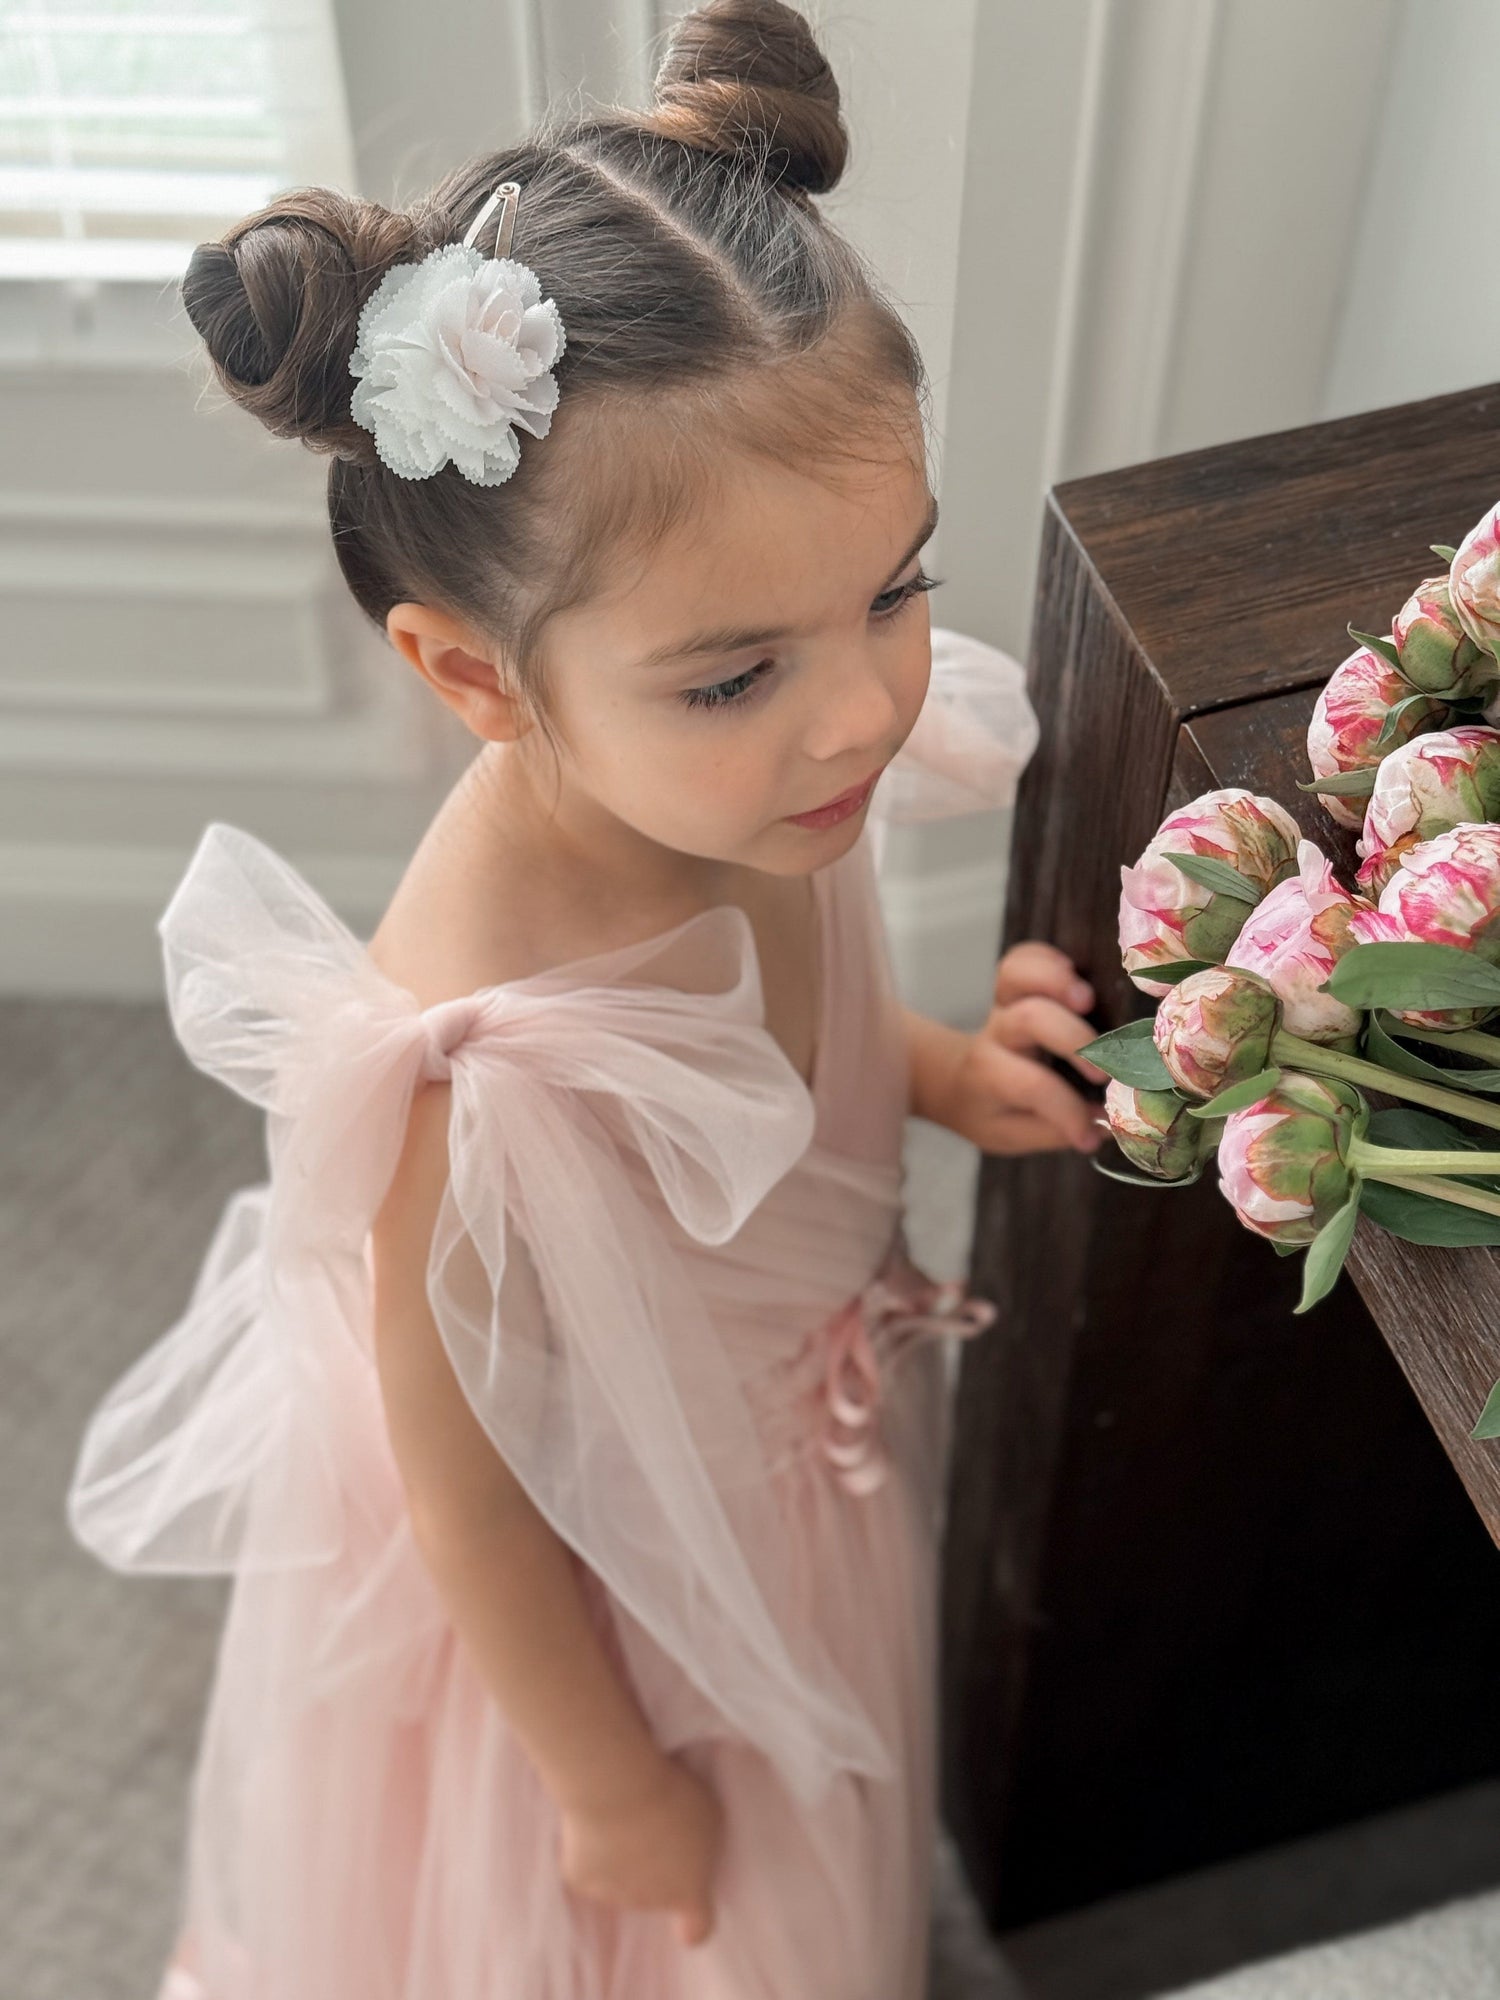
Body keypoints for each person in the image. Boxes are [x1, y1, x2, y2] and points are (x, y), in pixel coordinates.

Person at [66, 4, 1104, 1994]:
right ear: (476, 678)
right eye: (740, 669)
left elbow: (767, 1063)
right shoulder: (484, 1073)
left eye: (897, 589)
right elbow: (459, 1498)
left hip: (785, 1486)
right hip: (611, 1614)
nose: (870, 706)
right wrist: (609, 1775)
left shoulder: (757, 779)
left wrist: (941, 1067)